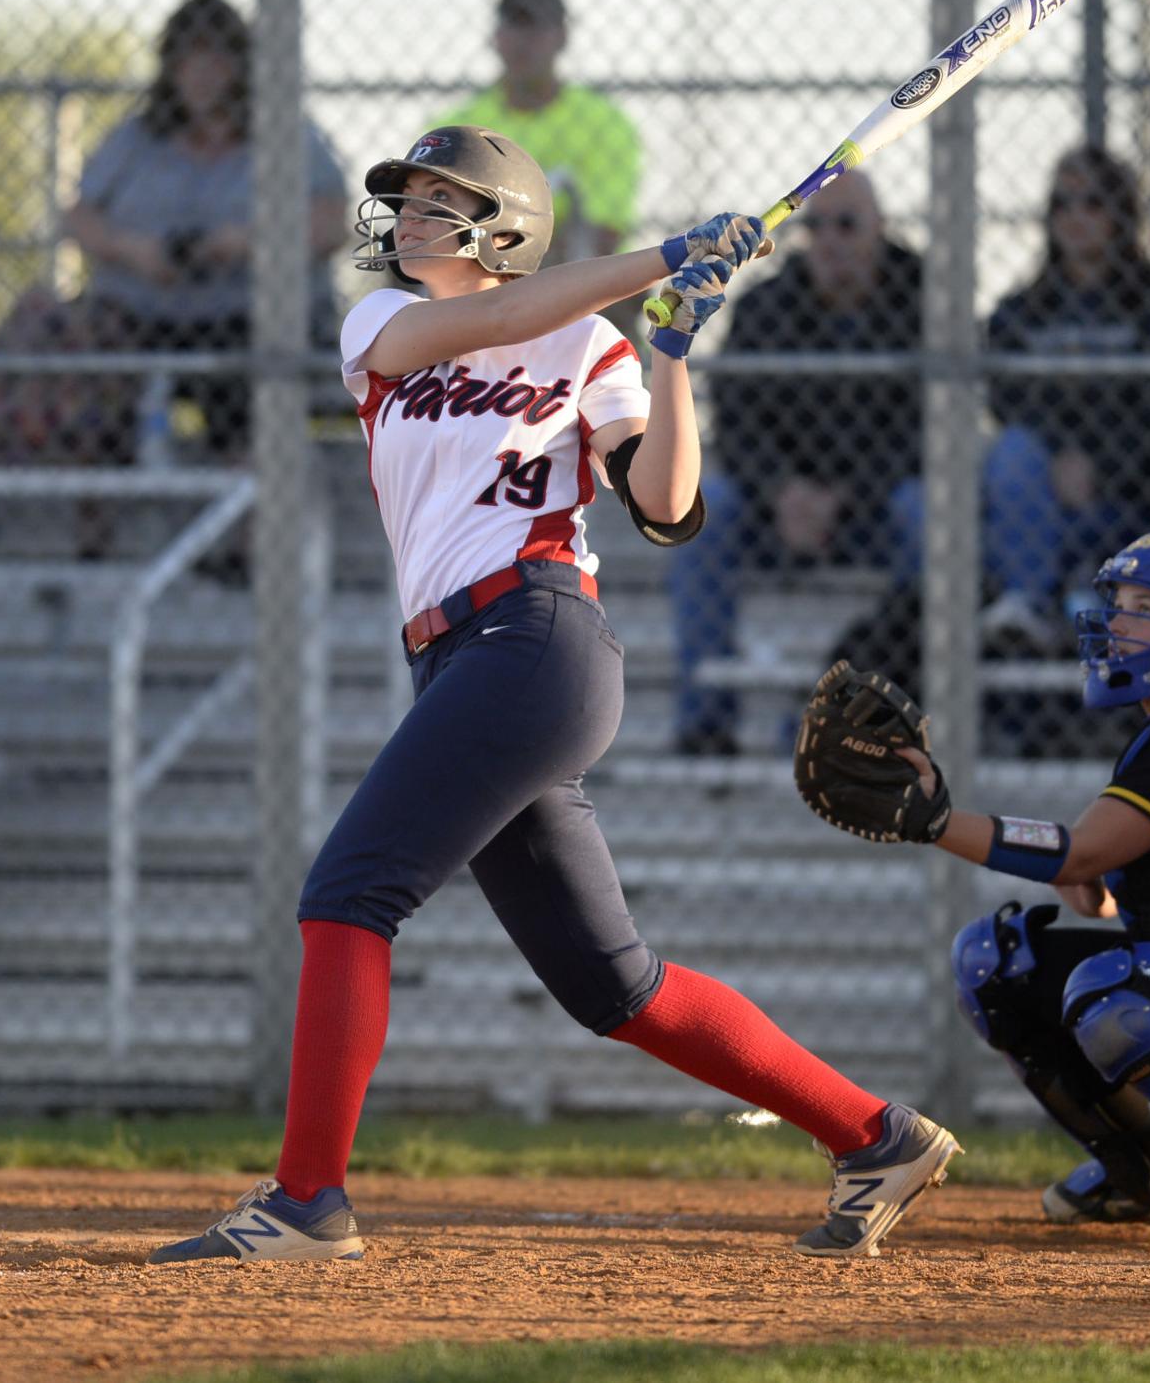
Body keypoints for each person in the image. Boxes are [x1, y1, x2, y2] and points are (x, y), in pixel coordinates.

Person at [146, 124, 958, 1266]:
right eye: (410, 200)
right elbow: (486, 323)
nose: (409, 217)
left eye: (441, 202)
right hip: (462, 658)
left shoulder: (589, 344)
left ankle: (307, 1200)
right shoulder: (382, 326)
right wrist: (662, 257)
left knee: (346, 893)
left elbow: (669, 508)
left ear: (506, 227)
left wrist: (668, 353)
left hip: (534, 639)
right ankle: (878, 1133)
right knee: (612, 984)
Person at [839, 528, 1150, 1224]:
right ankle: (1146, 1167)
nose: (1116, 621)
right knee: (998, 965)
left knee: (1120, 1006)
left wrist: (934, 822)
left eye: (1146, 606)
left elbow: (1079, 854)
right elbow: (1097, 881)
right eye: (1120, 601)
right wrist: (1094, 873)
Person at [669, 171, 922, 755]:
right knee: (708, 511)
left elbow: (930, 433)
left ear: (880, 230)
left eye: (847, 224)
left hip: (873, 510)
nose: (830, 240)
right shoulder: (766, 307)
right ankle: (707, 720)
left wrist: (845, 497)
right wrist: (784, 492)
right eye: (817, 226)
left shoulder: (922, 297)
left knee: (924, 510)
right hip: (776, 511)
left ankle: (900, 704)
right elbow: (737, 422)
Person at [63, 0, 349, 462]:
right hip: (145, 314)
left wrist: (250, 243)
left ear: (240, 66)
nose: (201, 74)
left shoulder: (283, 132)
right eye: (187, 59)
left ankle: (251, 522)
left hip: (247, 317)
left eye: (215, 59)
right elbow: (79, 215)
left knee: (246, 386)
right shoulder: (138, 137)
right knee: (74, 357)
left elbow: (331, 224)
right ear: (169, 68)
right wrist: (131, 249)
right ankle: (90, 523)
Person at [979, 144, 1150, 646]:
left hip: (1129, 495)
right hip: (1043, 497)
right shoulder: (1022, 312)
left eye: (1092, 202)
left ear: (1119, 214)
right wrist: (1063, 454)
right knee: (1014, 452)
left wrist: (1101, 465)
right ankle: (1030, 605)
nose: (1075, 217)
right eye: (1062, 204)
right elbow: (1009, 399)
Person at [433, 0, 643, 341]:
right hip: (478, 291)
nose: (523, 41)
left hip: (578, 287)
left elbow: (600, 237)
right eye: (514, 25)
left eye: (536, 27)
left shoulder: (605, 123)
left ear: (561, 36)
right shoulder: (457, 126)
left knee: (619, 289)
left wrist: (498, 244)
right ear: (496, 37)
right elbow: (435, 232)